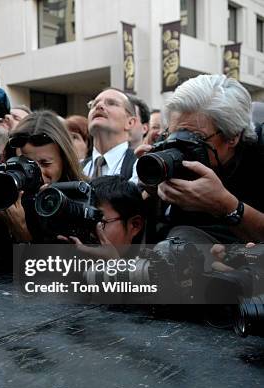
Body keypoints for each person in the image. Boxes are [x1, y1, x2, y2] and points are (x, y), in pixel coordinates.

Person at [136, 74, 264, 268]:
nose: (181, 147)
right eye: (173, 135)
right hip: (187, 251)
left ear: (233, 136)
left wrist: (226, 206)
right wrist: (152, 190)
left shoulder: (260, 150)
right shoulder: (172, 152)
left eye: (195, 138)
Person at [0, 110, 85, 243]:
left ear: (65, 161)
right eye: (25, 164)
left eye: (45, 163)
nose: (37, 173)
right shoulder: (8, 195)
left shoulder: (79, 200)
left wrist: (22, 231)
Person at [58, 175, 145, 258]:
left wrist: (114, 266)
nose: (90, 233)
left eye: (98, 222)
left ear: (134, 225)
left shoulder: (152, 267)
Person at [83, 88, 138, 182]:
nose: (99, 105)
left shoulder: (138, 165)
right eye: (94, 104)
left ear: (130, 122)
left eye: (111, 103)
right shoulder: (77, 169)